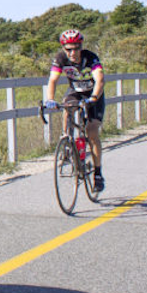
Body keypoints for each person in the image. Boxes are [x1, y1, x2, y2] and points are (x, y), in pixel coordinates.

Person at [44, 29, 107, 191]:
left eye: (76, 48)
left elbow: (100, 79)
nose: (72, 53)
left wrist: (93, 98)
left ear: (81, 46)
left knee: (92, 132)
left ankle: (98, 174)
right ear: (63, 48)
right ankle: (67, 141)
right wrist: (50, 99)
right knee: (67, 107)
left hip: (93, 94)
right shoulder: (60, 58)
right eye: (68, 49)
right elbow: (53, 80)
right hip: (75, 92)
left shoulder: (90, 57)